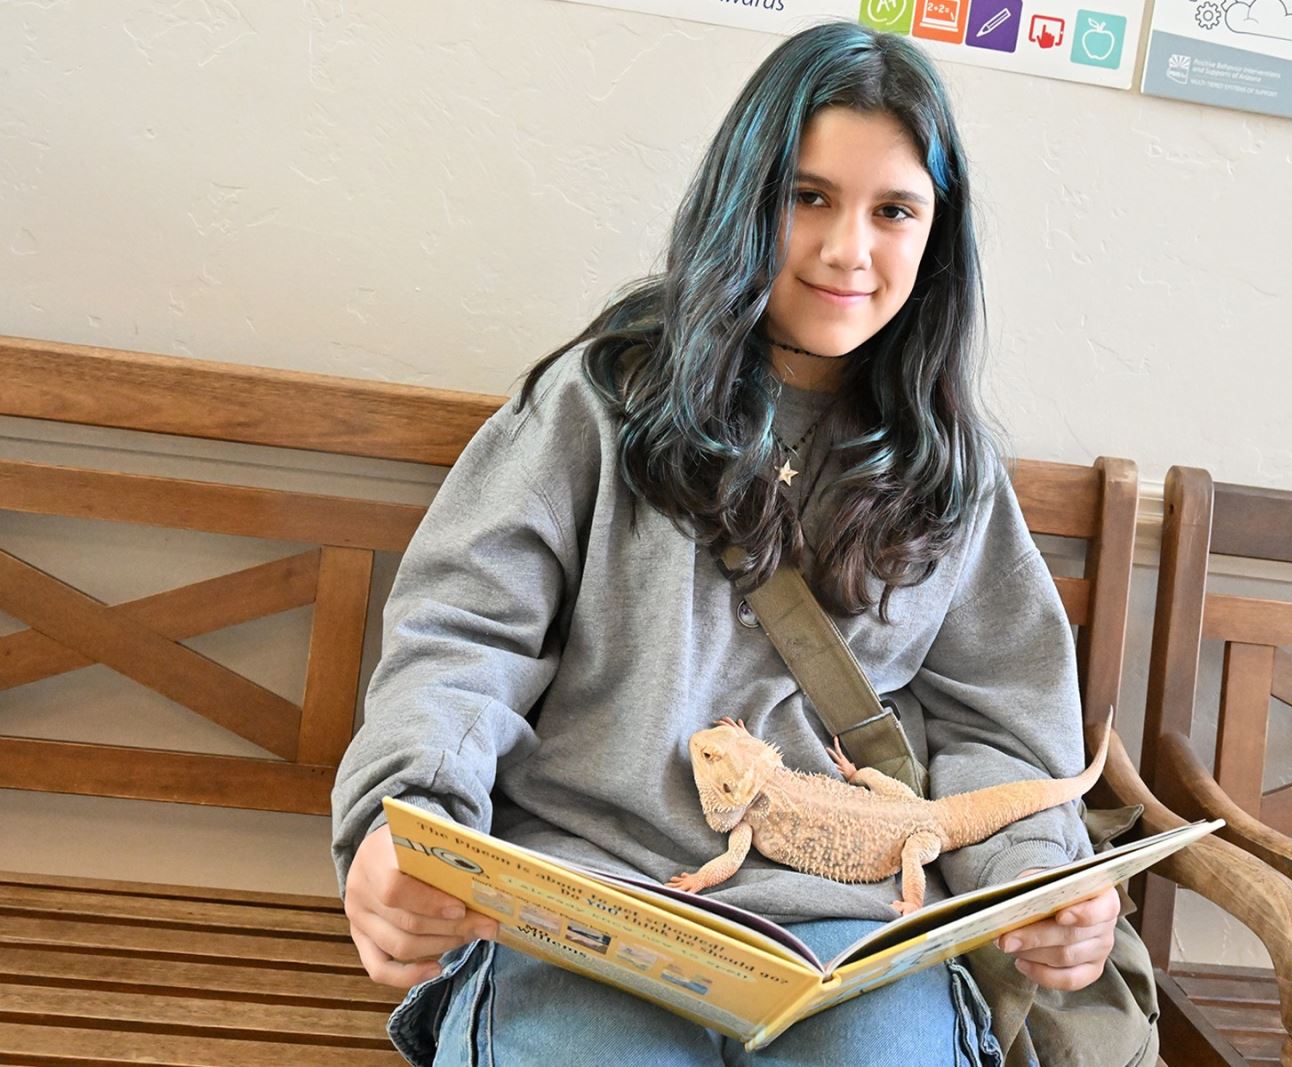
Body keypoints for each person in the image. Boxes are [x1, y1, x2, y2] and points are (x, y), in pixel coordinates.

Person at [333, 20, 1147, 1067]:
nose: (848, 248)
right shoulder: (595, 404)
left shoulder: (952, 469)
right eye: (805, 197)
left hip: (855, 938)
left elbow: (1003, 719)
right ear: (740, 197)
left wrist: (1038, 880)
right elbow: (462, 638)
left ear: (936, 237)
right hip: (585, 903)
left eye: (893, 210)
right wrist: (410, 818)